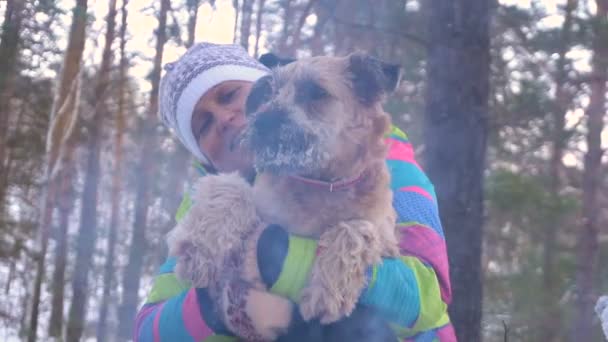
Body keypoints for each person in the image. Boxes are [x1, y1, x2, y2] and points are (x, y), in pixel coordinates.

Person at [134, 42, 456, 341]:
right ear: (204, 156)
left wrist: (284, 260)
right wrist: (212, 305)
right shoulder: (206, 208)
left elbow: (429, 299)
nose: (223, 119)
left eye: (230, 95)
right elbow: (147, 332)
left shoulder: (390, 165)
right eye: (203, 126)